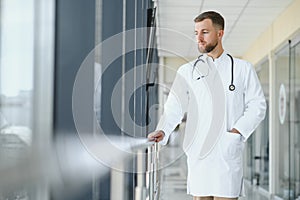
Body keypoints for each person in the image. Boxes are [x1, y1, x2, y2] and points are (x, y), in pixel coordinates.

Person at [148, 11, 266, 200]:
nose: (199, 38)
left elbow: (257, 105)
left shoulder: (243, 69)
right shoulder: (187, 71)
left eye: (205, 32)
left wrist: (237, 131)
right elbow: (173, 108)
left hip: (226, 153)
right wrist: (163, 130)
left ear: (220, 33)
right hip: (199, 154)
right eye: (196, 33)